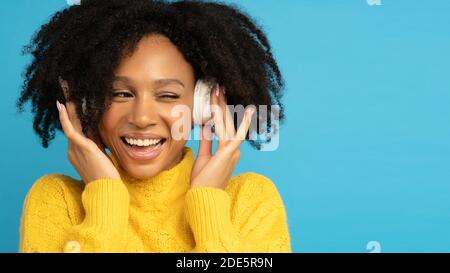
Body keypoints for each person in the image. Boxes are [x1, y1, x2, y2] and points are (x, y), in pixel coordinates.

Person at [17, 0, 290, 253]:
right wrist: (104, 199)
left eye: (168, 95)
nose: (142, 117)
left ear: (202, 104)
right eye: (120, 93)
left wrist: (210, 210)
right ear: (89, 102)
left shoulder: (250, 200)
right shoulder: (56, 200)